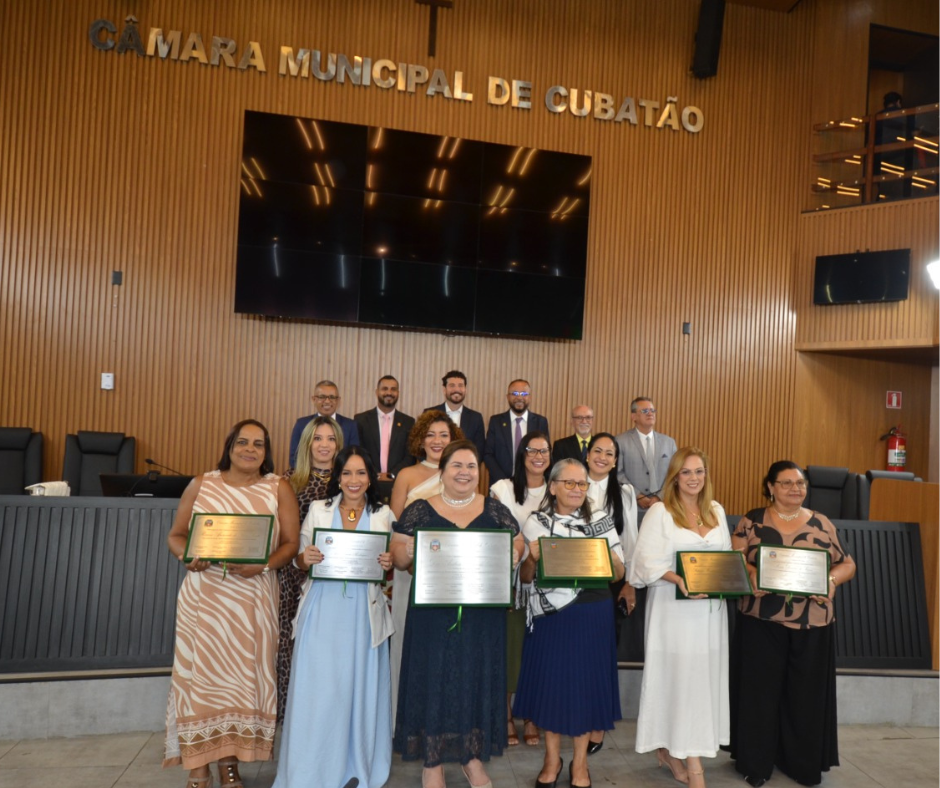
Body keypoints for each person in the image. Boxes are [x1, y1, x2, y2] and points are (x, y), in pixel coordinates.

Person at [164, 420, 300, 788]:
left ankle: (229, 765)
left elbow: (290, 544)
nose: (250, 449)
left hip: (252, 600)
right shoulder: (201, 483)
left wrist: (265, 564)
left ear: (266, 452)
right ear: (230, 446)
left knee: (242, 683)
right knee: (201, 681)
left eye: (258, 444)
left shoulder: (278, 487)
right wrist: (186, 556)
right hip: (204, 598)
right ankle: (197, 766)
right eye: (243, 442)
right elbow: (176, 536)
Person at [391, 440, 524, 788]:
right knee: (433, 678)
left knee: (475, 679)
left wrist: (515, 553)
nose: (464, 473)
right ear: (442, 470)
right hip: (432, 617)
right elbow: (400, 559)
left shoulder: (494, 509)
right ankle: (431, 762)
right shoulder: (420, 508)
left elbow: (519, 542)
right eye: (457, 466)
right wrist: (407, 550)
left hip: (482, 619)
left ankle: (472, 758)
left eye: (470, 466)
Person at [273, 446, 395, 788]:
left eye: (360, 473)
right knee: (321, 691)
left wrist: (388, 566)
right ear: (336, 477)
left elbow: (391, 570)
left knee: (357, 691)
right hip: (323, 610)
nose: (353, 481)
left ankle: (356, 767)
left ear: (370, 477)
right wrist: (305, 558)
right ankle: (311, 770)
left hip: (364, 614)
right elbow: (298, 558)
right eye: (346, 473)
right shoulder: (317, 509)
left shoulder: (385, 514)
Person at [730, 461, 856, 788]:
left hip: (812, 623)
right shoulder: (752, 520)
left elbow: (847, 564)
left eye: (799, 483)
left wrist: (830, 580)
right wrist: (752, 574)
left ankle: (802, 764)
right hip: (761, 620)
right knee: (760, 695)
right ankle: (756, 763)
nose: (795, 489)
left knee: (805, 698)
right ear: (770, 486)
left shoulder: (822, 522)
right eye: (786, 483)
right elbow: (734, 560)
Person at [514, 459, 625, 788]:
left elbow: (619, 574)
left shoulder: (602, 521)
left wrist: (611, 556)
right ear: (553, 486)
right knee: (553, 688)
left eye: (583, 484)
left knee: (585, 691)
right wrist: (532, 558)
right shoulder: (536, 522)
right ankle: (552, 758)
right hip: (552, 618)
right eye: (570, 483)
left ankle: (580, 765)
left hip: (592, 614)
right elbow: (525, 578)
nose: (577, 489)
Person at [629, 447, 731, 788]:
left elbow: (726, 561)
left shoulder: (715, 510)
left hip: (709, 615)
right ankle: (692, 763)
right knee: (679, 681)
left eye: (699, 471)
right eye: (686, 472)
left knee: (700, 683)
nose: (693, 478)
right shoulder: (660, 512)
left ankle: (673, 751)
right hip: (673, 613)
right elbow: (644, 564)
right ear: (674, 477)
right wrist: (679, 579)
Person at [387, 410, 462, 729]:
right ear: (420, 438)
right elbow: (393, 527)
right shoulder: (406, 475)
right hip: (410, 574)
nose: (437, 441)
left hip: (451, 578)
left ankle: (443, 720)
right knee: (408, 643)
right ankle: (403, 719)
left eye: (444, 435)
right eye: (430, 434)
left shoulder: (463, 474)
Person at [275, 416, 342, 723]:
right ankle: (291, 721)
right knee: (291, 649)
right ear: (307, 444)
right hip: (292, 578)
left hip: (334, 583)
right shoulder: (288, 481)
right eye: (317, 438)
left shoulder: (350, 480)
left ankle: (325, 719)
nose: (324, 445)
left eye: (330, 439)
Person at [489, 431, 551, 748]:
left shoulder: (557, 490)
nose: (538, 456)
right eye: (532, 450)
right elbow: (497, 531)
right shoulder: (502, 488)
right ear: (521, 453)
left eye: (544, 450)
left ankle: (531, 716)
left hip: (549, 586)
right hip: (510, 583)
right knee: (510, 649)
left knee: (536, 654)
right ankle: (505, 714)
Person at [583, 431, 640, 753]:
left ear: (616, 461)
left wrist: (629, 584)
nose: (602, 457)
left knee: (603, 656)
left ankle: (598, 724)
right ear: (587, 454)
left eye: (609, 453)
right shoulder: (571, 484)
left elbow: (630, 539)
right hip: (574, 579)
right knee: (576, 654)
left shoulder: (626, 492)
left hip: (611, 581)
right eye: (597, 451)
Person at [354, 374, 416, 503]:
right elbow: (359, 452)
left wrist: (391, 474)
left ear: (398, 393)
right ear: (377, 392)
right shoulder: (361, 420)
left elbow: (410, 456)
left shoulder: (408, 422)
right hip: (368, 483)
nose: (389, 392)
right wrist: (375, 473)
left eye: (393, 389)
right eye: (385, 389)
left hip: (398, 484)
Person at [615, 396, 677, 517]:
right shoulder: (620, 441)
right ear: (633, 417)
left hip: (663, 507)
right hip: (632, 507)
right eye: (644, 411)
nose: (650, 413)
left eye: (652, 410)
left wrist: (659, 497)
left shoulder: (669, 442)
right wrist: (637, 495)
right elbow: (618, 473)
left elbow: (674, 473)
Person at [484, 379, 551, 483]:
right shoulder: (496, 422)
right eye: (515, 393)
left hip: (532, 483)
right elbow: (488, 454)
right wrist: (504, 482)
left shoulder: (540, 422)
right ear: (507, 397)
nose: (519, 397)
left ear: (530, 397)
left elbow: (545, 453)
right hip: (501, 483)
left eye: (524, 393)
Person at [288, 380, 360, 466]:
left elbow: (354, 457)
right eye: (322, 397)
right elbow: (294, 458)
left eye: (332, 397)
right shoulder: (302, 424)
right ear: (314, 399)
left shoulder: (350, 425)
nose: (327, 401)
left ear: (338, 400)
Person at [425, 370, 486, 457]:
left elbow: (479, 451)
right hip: (434, 468)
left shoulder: (476, 418)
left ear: (465, 390)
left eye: (460, 385)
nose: (457, 389)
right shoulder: (429, 414)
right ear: (444, 390)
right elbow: (420, 445)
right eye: (452, 385)